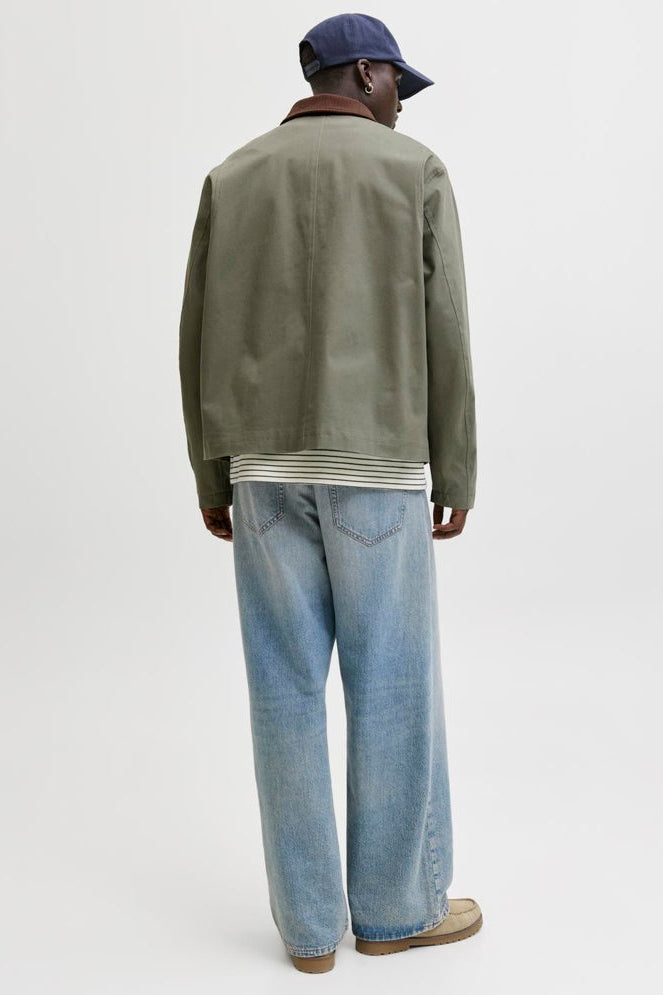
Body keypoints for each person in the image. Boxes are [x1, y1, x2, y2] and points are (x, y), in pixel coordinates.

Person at [178, 12, 481, 974]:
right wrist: (456, 466)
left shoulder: (233, 175)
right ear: (363, 73)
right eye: (398, 83)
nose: (402, 103)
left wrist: (211, 471)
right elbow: (444, 326)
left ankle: (308, 932)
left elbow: (197, 334)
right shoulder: (411, 171)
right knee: (392, 687)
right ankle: (392, 912)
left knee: (283, 692)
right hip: (376, 468)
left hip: (262, 472)